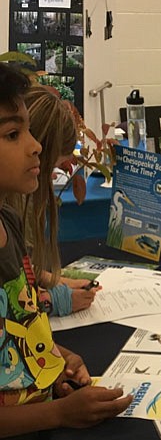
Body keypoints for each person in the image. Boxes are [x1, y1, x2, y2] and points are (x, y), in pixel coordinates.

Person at [0, 63, 133, 440]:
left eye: (29, 130)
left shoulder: (7, 224)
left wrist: (51, 357)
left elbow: (13, 331)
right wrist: (58, 411)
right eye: (13, 134)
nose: (34, 147)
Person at [11, 85, 100, 314]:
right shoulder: (12, 208)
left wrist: (53, 280)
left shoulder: (11, 210)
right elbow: (9, 307)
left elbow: (16, 270)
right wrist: (57, 301)